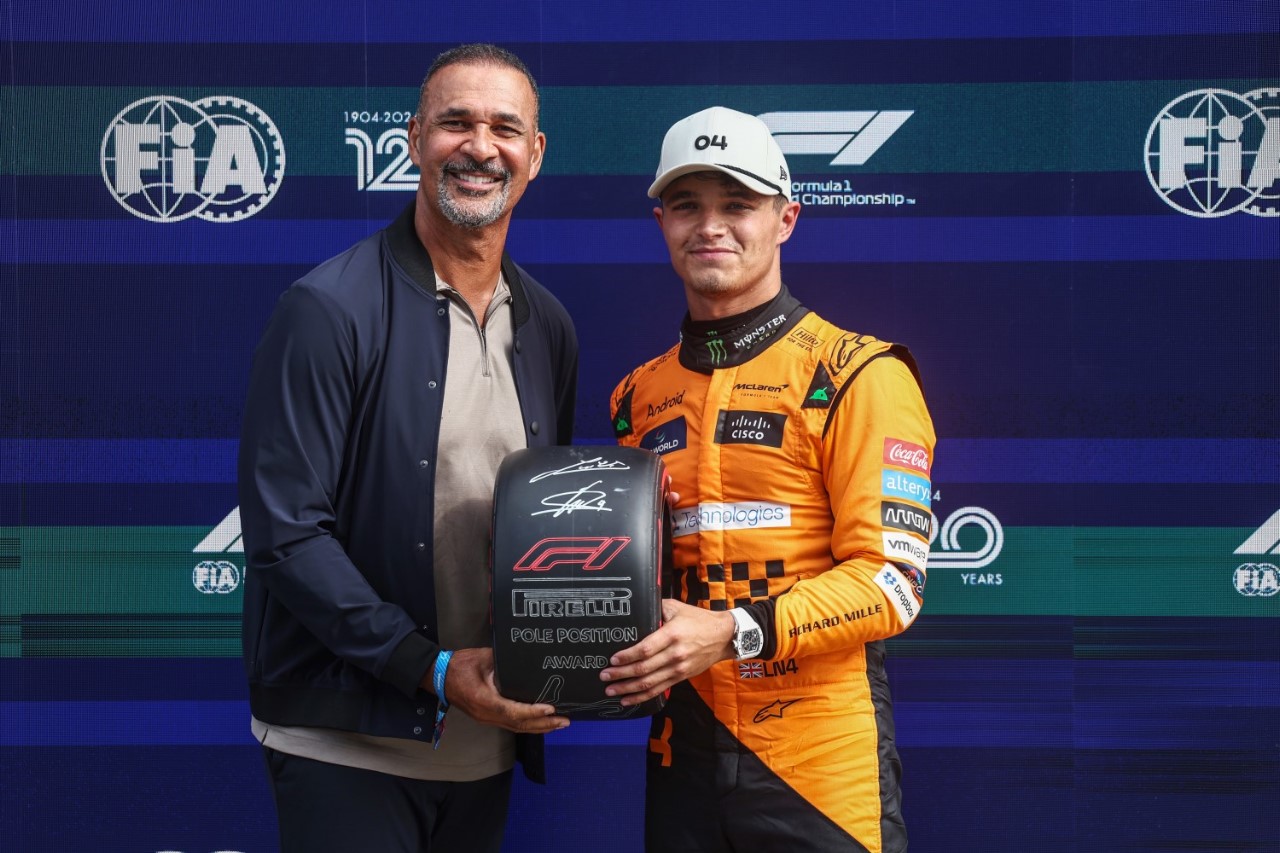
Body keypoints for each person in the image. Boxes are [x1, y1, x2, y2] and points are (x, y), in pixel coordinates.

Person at [237, 43, 577, 853]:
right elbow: (286, 534)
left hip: (482, 747)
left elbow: (543, 525)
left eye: (504, 127)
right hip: (346, 745)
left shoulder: (548, 325)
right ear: (415, 138)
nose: (479, 146)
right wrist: (425, 666)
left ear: (534, 155)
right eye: (455, 122)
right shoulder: (327, 308)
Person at [601, 106, 935, 853]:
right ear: (662, 221)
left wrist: (731, 630)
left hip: (819, 769)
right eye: (688, 204)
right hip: (681, 756)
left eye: (738, 205)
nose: (711, 226)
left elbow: (893, 582)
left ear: (786, 218)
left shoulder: (860, 373)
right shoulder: (635, 397)